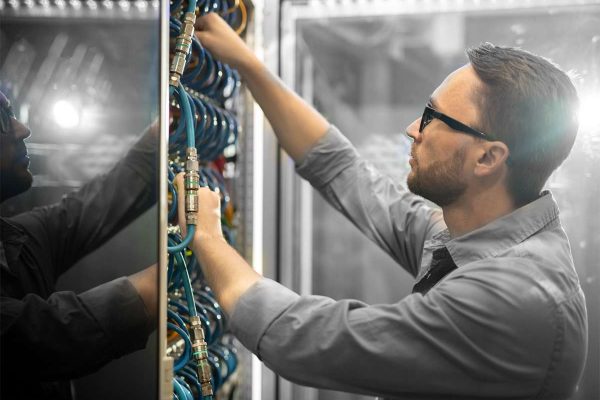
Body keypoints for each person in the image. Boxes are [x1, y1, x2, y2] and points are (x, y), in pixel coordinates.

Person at [175, 13, 588, 399]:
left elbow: (304, 340)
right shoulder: (479, 236)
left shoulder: (510, 298)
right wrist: (250, 65)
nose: (412, 130)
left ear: (488, 158)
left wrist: (208, 237)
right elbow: (344, 172)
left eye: (433, 117)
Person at [0, 89, 158, 399]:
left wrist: (164, 129)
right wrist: (183, 265)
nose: (23, 129)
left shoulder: (15, 240)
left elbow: (97, 204)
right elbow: (49, 336)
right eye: (3, 119)